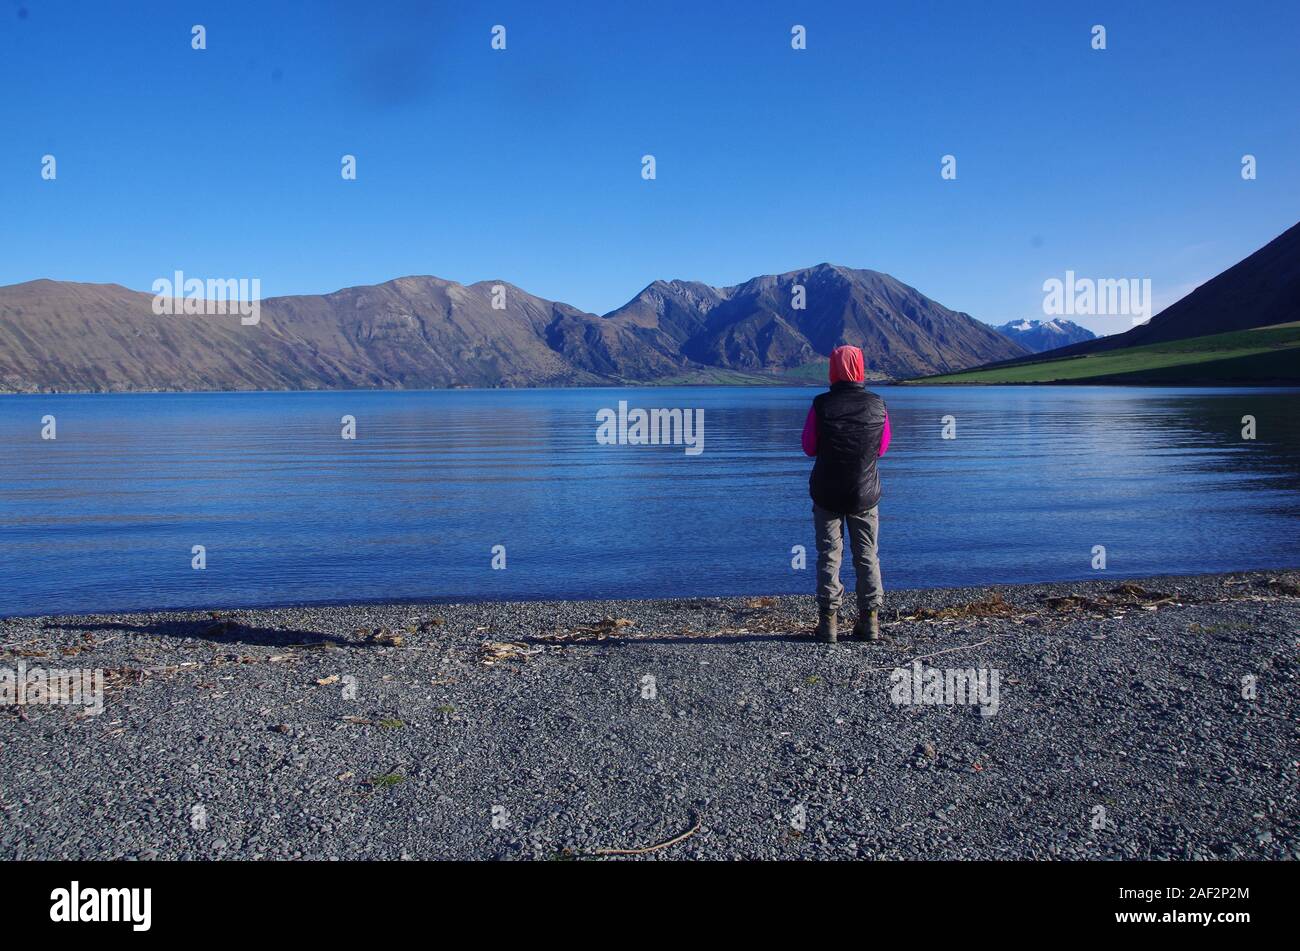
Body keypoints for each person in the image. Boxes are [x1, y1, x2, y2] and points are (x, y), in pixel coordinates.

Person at [801, 345, 891, 644]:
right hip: (865, 494)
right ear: (860, 368)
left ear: (833, 369)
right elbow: (882, 447)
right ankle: (871, 621)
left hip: (827, 492)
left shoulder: (821, 405)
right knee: (867, 556)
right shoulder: (878, 405)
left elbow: (809, 447)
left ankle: (828, 623)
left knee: (829, 555)